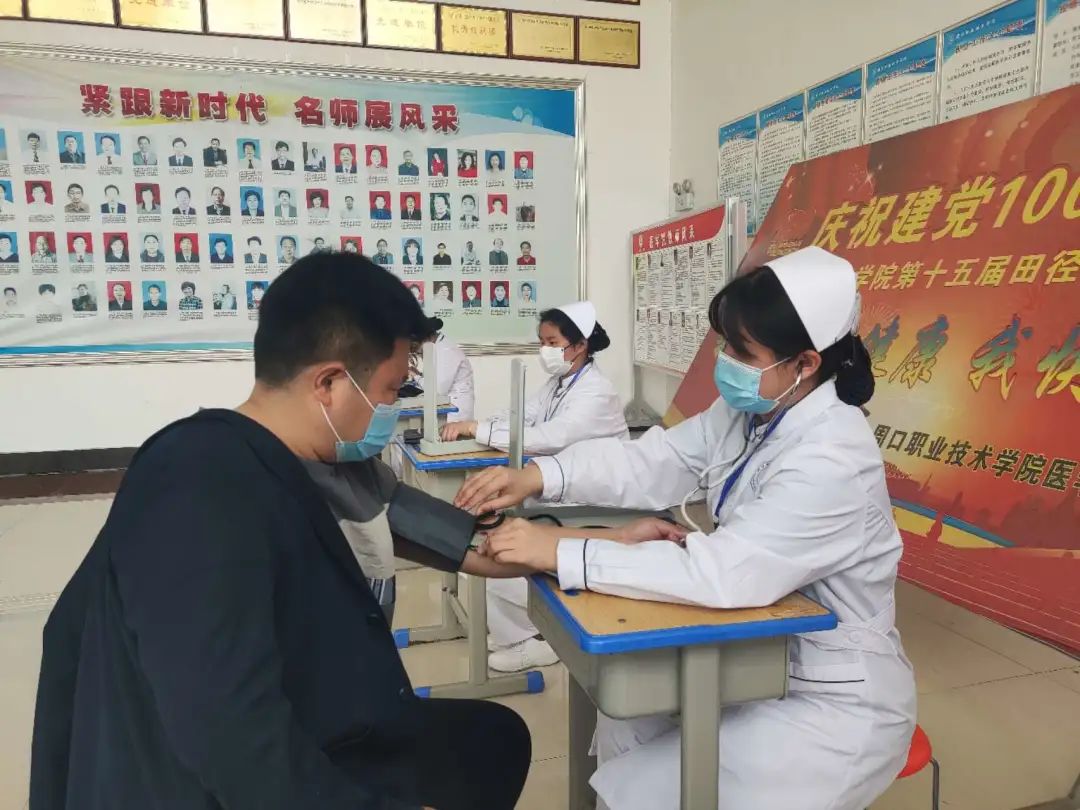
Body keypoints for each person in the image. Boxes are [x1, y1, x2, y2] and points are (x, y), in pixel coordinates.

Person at [32, 251, 537, 810]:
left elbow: (439, 531)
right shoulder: (198, 484)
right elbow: (232, 737)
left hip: (315, 709)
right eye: (391, 392)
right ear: (329, 383)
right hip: (196, 780)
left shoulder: (322, 462)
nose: (392, 410)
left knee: (492, 742)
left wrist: (578, 547)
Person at [455, 247, 917, 810]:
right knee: (624, 721)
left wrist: (563, 549)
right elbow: (657, 459)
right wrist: (540, 476)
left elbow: (724, 572)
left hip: (828, 695)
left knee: (645, 788)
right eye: (725, 345)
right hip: (751, 650)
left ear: (805, 363)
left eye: (742, 351)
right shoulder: (755, 411)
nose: (725, 361)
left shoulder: (834, 457)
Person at [442, 301, 629, 672]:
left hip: (592, 500)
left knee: (498, 551)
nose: (545, 350)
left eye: (552, 342)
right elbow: (520, 416)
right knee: (485, 539)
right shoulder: (559, 383)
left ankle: (535, 640)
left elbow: (548, 437)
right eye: (542, 341)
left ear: (579, 345)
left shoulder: (597, 392)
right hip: (560, 487)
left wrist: (476, 429)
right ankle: (517, 630)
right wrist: (481, 427)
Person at [417, 316, 475, 422]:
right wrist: (418, 374)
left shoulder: (446, 351)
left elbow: (438, 390)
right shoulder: (438, 347)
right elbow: (434, 378)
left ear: (428, 338)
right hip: (448, 406)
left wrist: (416, 377)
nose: (418, 349)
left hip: (456, 411)